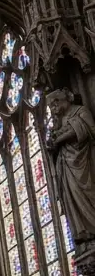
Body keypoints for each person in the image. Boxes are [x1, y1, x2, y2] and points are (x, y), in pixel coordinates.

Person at [47, 89, 95, 242]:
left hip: (83, 161)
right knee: (70, 194)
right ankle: (82, 229)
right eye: (51, 106)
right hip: (66, 165)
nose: (54, 108)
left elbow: (91, 130)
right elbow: (53, 144)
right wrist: (52, 144)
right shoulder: (58, 122)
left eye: (56, 103)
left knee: (88, 190)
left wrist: (64, 135)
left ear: (65, 99)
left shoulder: (80, 111)